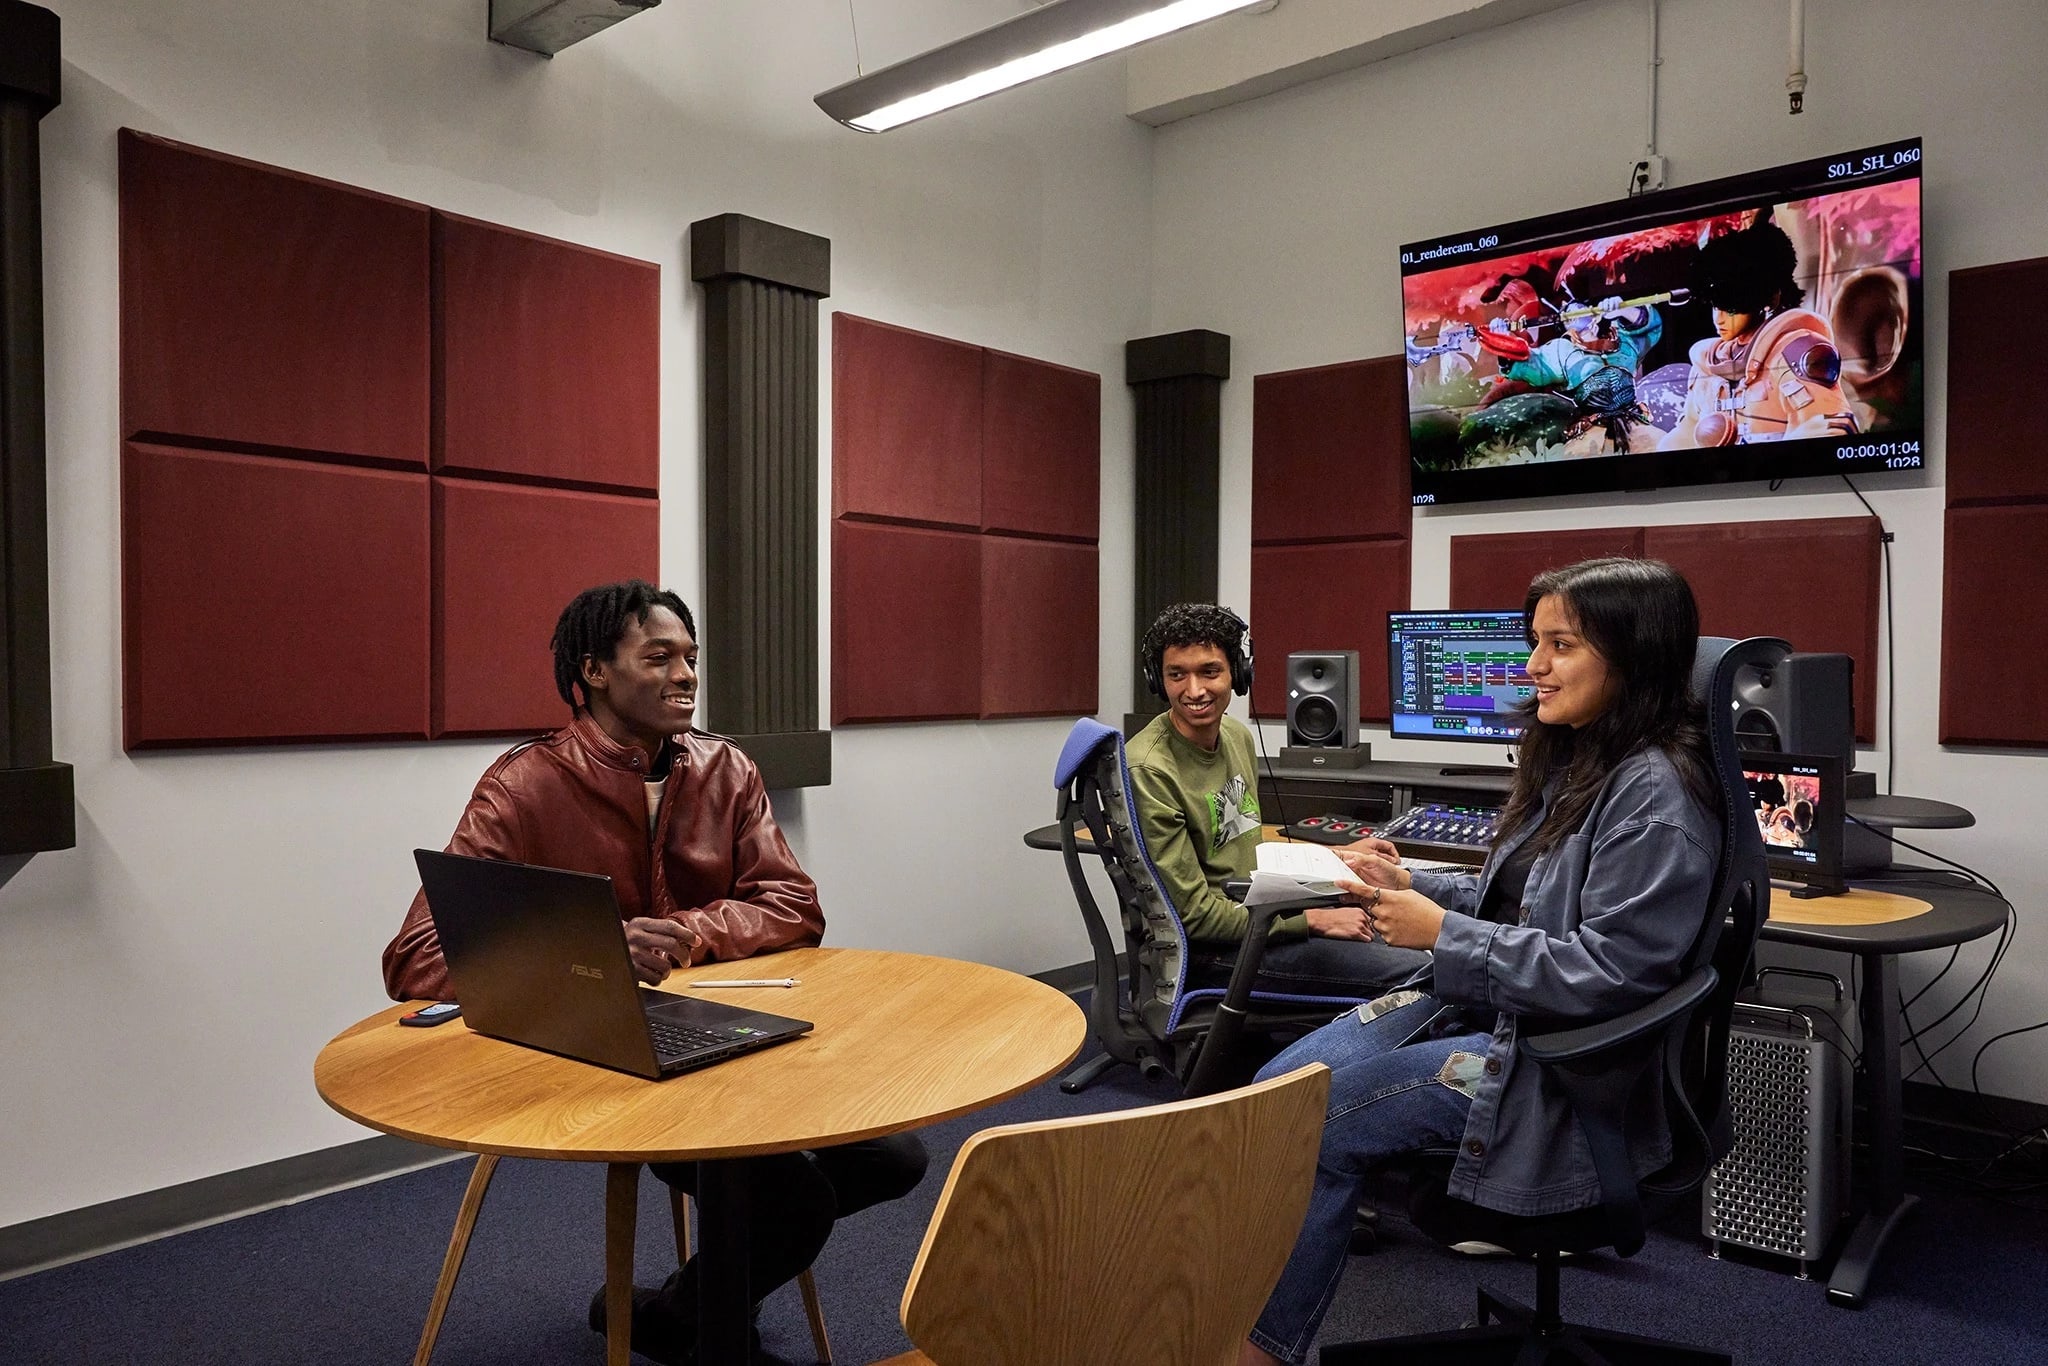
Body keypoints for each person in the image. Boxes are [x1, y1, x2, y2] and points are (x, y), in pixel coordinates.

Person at [383, 579, 926, 1365]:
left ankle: (674, 1313)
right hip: (607, 1059)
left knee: (895, 1157)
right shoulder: (525, 784)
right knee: (793, 1202)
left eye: (692, 659)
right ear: (595, 671)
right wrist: (593, 952)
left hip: (720, 1043)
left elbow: (793, 907)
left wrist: (683, 932)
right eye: (660, 656)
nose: (687, 675)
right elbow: (417, 956)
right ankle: (703, 1320)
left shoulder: (725, 769)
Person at [1237, 558, 1722, 1366]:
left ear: (1631, 654)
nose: (1532, 667)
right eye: (1536, 642)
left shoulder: (1656, 798)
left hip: (1555, 1067)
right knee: (1270, 1097)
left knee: (1307, 1128)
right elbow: (1522, 901)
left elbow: (1605, 974)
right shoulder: (1582, 759)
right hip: (1498, 1014)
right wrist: (1412, 882)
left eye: (1559, 645)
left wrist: (1437, 934)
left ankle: (1257, 1352)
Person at [1125, 603, 1426, 1002]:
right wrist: (1312, 921)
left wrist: (1334, 855)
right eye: (1177, 675)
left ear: (1238, 674)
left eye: (1209, 672)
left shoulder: (1236, 735)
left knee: (1415, 943)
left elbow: (1246, 848)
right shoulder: (1150, 769)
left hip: (1258, 918)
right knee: (1417, 973)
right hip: (1214, 951)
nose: (1194, 691)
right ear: (1157, 680)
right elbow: (1193, 917)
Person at [1658, 213, 1856, 449]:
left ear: (1762, 300)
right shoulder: (1708, 363)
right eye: (1715, 307)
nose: (1719, 319)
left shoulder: (1795, 352)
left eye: (1730, 309)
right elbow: (1687, 430)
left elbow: (1826, 426)